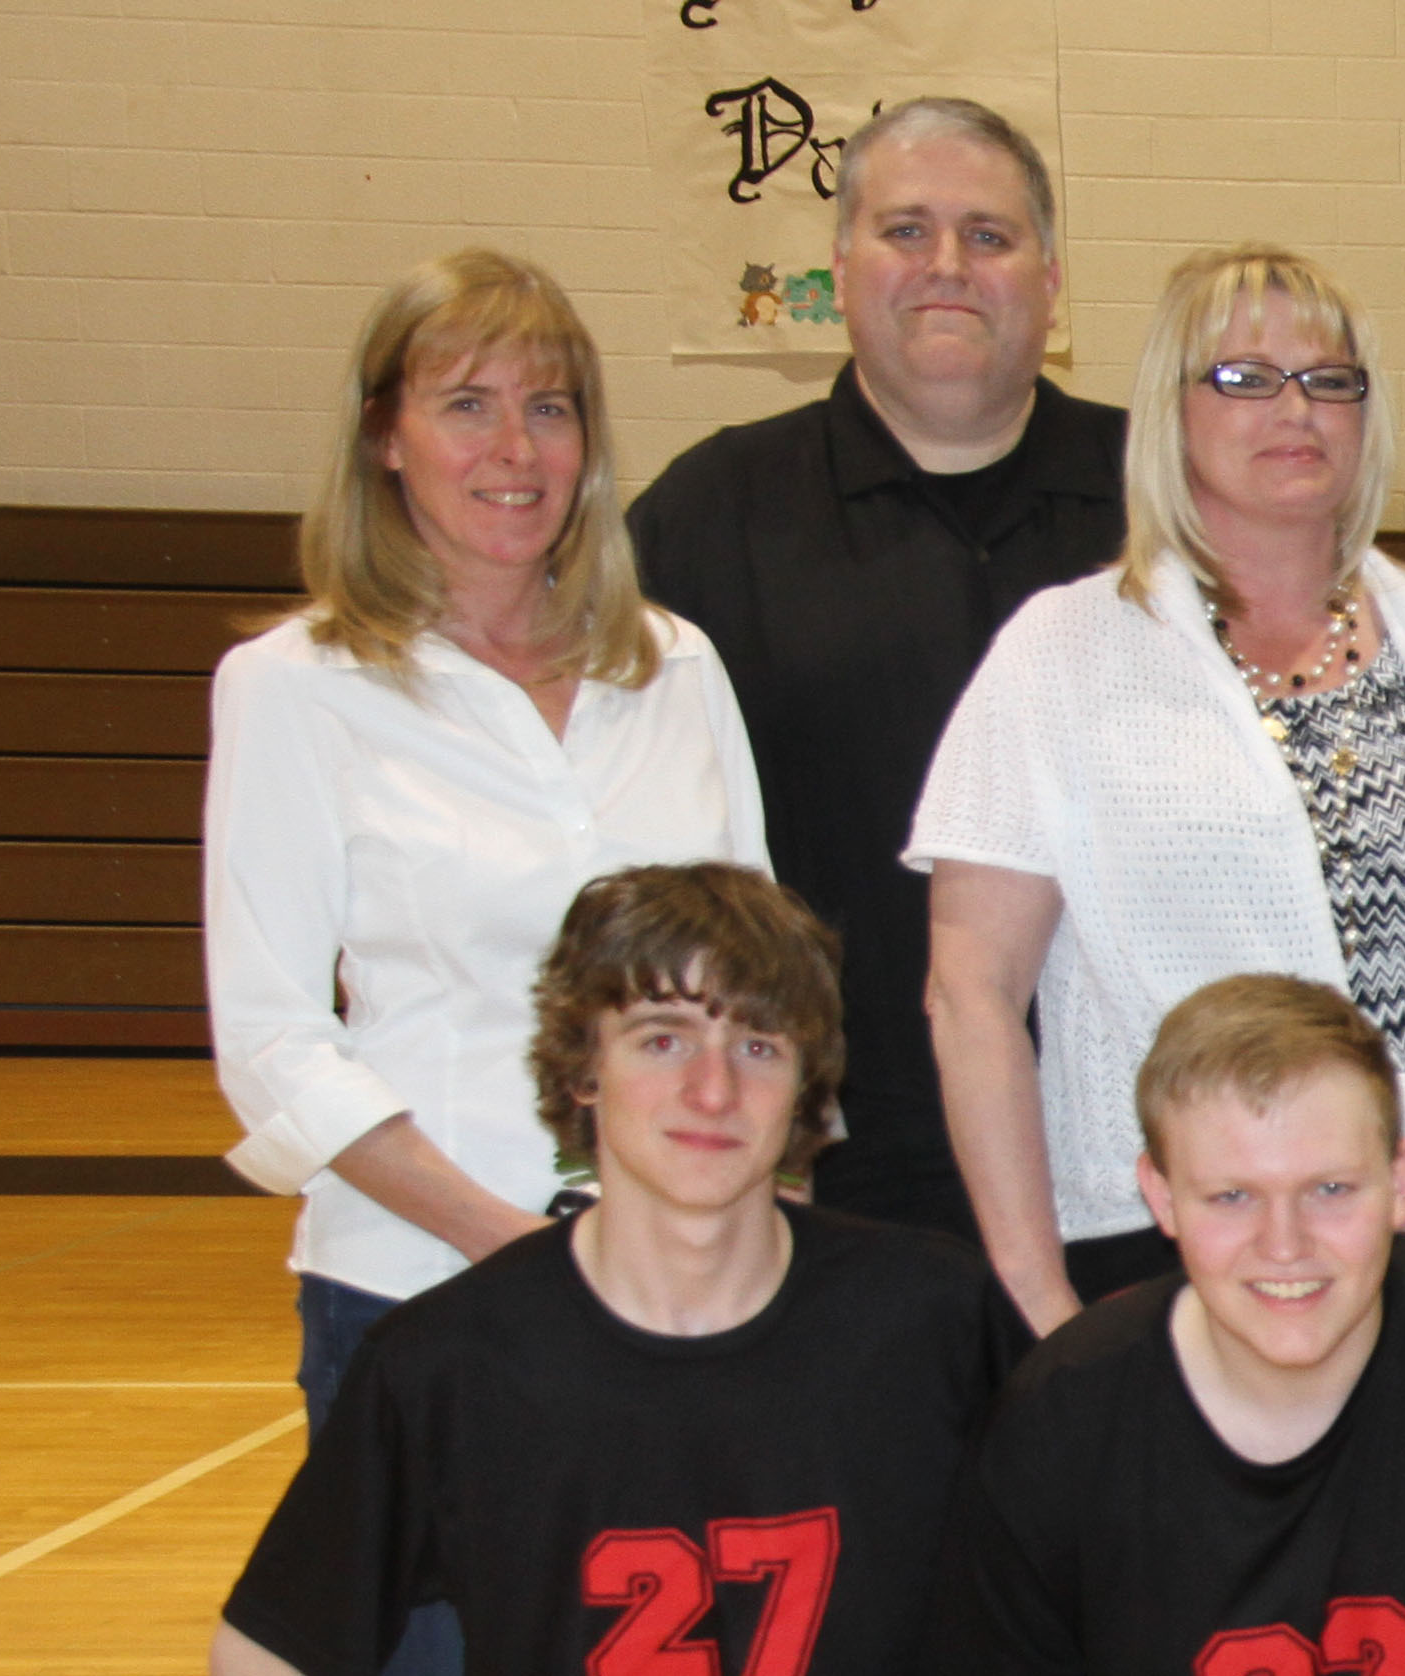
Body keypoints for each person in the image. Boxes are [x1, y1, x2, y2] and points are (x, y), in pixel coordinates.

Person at [912, 245, 1405, 1337]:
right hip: (1181, 1247)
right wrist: (1041, 1298)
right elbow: (970, 995)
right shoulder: (1063, 651)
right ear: (1168, 409)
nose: (1296, 406)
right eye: (1244, 375)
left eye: (1330, 377)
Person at [207, 249, 770, 1513]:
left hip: (681, 1288)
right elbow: (270, 1041)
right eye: (467, 403)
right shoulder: (296, 686)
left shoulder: (675, 666)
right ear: (383, 439)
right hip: (421, 1289)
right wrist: (507, 1246)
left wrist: (742, 1228)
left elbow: (761, 992)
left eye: (549, 406)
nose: (515, 447)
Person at [213, 864, 1025, 1676]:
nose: (714, 1091)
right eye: (663, 1040)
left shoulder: (932, 1319)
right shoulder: (448, 1362)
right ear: (583, 1069)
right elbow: (263, 1649)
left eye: (758, 1045)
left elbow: (1083, 1588)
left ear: (805, 1088)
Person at [633, 97, 1126, 1246]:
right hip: (833, 1172)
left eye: (988, 237)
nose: (946, 266)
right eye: (906, 231)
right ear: (841, 268)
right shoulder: (710, 518)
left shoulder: (1168, 494)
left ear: (1052, 284)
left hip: (1139, 1159)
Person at [931, 974, 1405, 1675]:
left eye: (1330, 1190)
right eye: (1232, 1196)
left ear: (1399, 1184)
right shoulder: (1058, 1425)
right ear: (1162, 1198)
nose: (1285, 1244)